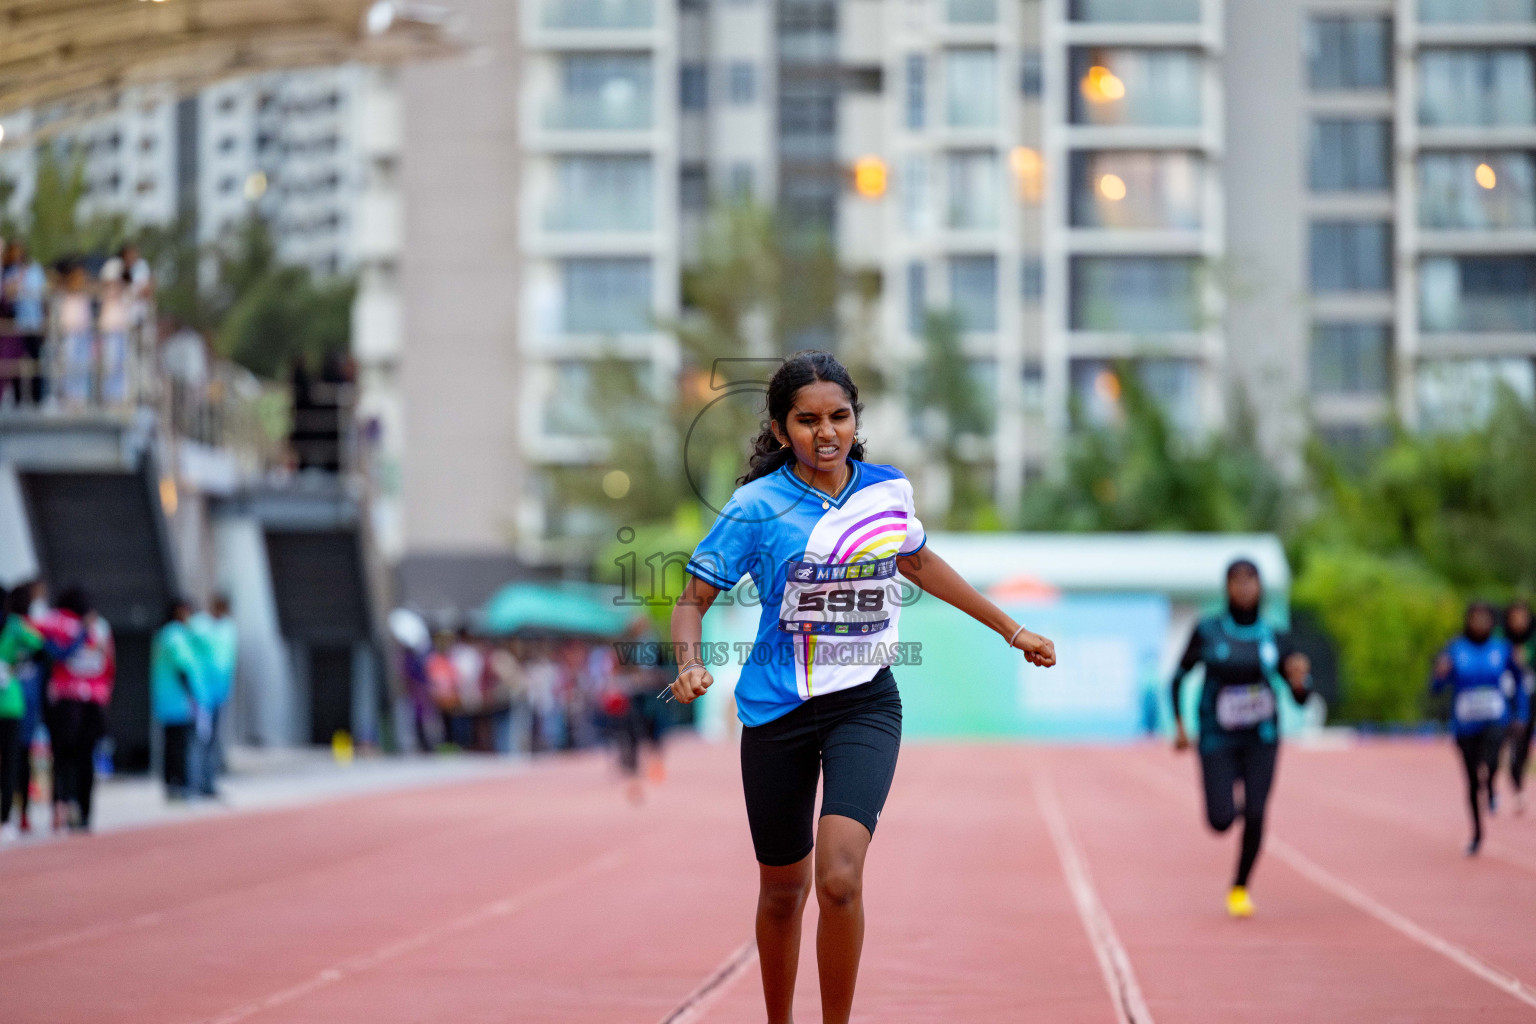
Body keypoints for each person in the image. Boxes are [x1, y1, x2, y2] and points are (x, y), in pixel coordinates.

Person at [667, 351, 1056, 1024]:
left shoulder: (887, 491)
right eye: (808, 420)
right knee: (783, 892)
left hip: (864, 704)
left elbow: (922, 563)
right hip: (776, 710)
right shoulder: (756, 507)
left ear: (855, 420)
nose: (826, 433)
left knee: (840, 879)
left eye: (839, 417)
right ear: (782, 427)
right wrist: (688, 664)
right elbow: (691, 599)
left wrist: (1011, 629)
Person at [1171, 559, 1311, 918]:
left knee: (1257, 811)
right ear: (1227, 587)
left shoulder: (1274, 636)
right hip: (1217, 737)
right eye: (1238, 582)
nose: (1246, 588)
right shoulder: (1209, 631)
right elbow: (1177, 678)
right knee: (1220, 821)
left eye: (1252, 581)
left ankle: (1240, 887)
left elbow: (1300, 695)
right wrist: (1180, 725)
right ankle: (1227, 803)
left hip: (1260, 737)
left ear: (1261, 588)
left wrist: (1300, 683)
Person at [1433, 602, 1519, 854]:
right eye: (1475, 618)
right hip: (1465, 724)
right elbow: (1437, 688)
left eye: (1485, 619)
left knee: (1491, 760)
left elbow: (1518, 679)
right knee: (1471, 781)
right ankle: (1477, 834)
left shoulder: (1501, 649)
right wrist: (1440, 675)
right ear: (1468, 620)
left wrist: (1521, 713)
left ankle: (1492, 785)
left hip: (1495, 718)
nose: (1480, 623)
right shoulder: (1456, 648)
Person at [36, 588, 114, 832]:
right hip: (92, 699)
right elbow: (110, 664)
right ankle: (85, 812)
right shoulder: (100, 626)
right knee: (85, 758)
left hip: (65, 699)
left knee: (62, 756)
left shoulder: (55, 622)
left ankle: (62, 804)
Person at [0, 584, 45, 841]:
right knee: (12, 762)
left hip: (10, 703)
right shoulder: (15, 625)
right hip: (10, 703)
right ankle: (6, 819)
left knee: (11, 762)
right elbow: (40, 647)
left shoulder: (16, 625)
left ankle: (8, 817)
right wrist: (17, 661)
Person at [151, 599, 205, 801]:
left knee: (171, 745)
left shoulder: (165, 634)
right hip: (178, 702)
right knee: (179, 747)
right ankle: (179, 785)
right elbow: (183, 667)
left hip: (168, 701)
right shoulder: (175, 635)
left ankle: (173, 785)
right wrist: (194, 695)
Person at [189, 595, 238, 797]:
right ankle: (195, 783)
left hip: (220, 693)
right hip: (201, 694)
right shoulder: (198, 625)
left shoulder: (228, 628)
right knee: (199, 740)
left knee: (213, 741)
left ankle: (209, 782)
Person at [1502, 600, 1534, 813]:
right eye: (1514, 617)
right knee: (1517, 741)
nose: (1518, 622)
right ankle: (1517, 786)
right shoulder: (1501, 642)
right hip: (1512, 700)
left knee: (1526, 743)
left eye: (1522, 617)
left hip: (1533, 697)